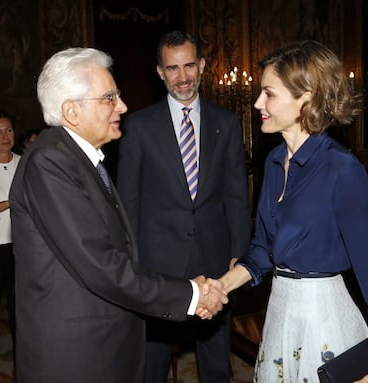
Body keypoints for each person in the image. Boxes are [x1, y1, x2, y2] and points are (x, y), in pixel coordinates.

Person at [9, 47, 228, 383]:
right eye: (109, 97)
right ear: (71, 111)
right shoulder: (50, 162)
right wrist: (191, 294)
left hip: (103, 346)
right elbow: (100, 265)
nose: (122, 106)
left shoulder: (81, 158)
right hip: (77, 358)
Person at [208, 40, 368, 382]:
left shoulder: (340, 168)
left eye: (269, 94)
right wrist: (219, 286)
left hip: (324, 318)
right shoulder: (271, 162)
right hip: (280, 313)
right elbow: (262, 251)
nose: (257, 103)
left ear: (305, 97)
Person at [117, 30, 251, 383]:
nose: (183, 77)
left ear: (202, 66)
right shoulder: (138, 126)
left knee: (216, 363)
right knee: (154, 362)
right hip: (158, 265)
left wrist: (239, 252)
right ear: (160, 72)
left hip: (215, 260)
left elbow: (236, 195)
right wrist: (133, 264)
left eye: (189, 65)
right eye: (172, 68)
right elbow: (128, 201)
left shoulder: (226, 123)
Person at [0, 111, 19, 355]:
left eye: (9, 130)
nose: (5, 136)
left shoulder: (26, 162)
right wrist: (14, 200)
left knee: (19, 307)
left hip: (20, 246)